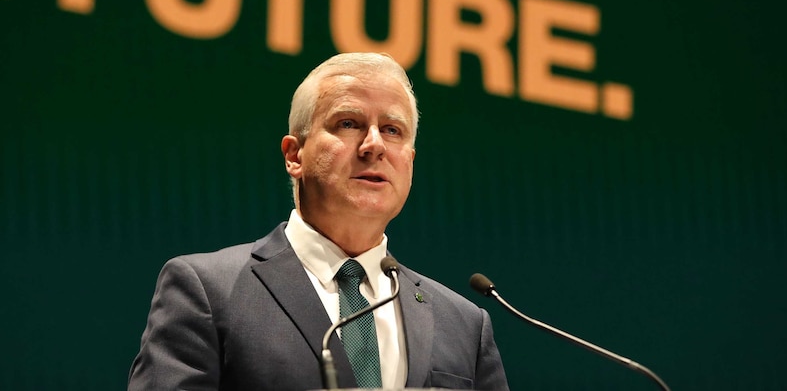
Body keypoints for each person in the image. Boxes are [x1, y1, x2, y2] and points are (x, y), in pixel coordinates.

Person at [128, 53, 509, 390]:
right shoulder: (209, 291)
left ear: (409, 161)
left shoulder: (464, 324)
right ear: (294, 155)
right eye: (348, 123)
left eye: (392, 130)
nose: (374, 144)